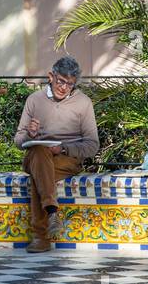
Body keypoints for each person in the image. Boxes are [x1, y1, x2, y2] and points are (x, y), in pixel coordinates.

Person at [14, 55, 99, 253]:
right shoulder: (34, 100)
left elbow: (92, 145)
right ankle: (51, 210)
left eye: (70, 84)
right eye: (61, 81)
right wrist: (30, 134)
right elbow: (18, 140)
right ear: (51, 76)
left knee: (39, 175)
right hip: (36, 155)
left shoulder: (83, 103)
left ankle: (41, 238)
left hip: (66, 159)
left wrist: (63, 148)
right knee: (38, 152)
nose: (64, 87)